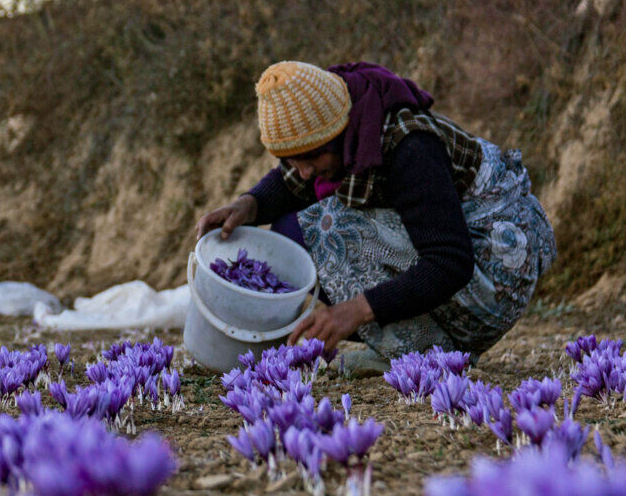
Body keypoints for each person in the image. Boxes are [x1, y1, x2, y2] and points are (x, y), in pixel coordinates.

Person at [197, 61, 555, 374]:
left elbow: (449, 262)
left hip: (495, 276)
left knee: (330, 227)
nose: (304, 173)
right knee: (292, 227)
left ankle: (425, 350)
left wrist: (356, 310)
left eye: (311, 158)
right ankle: (407, 345)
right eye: (292, 161)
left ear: (336, 133)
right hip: (466, 263)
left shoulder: (408, 146)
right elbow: (291, 184)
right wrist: (249, 204)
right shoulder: (344, 121)